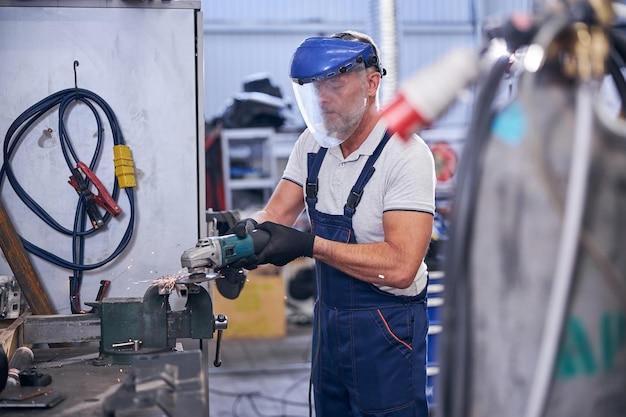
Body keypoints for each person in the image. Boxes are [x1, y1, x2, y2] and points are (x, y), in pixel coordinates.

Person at [230, 30, 436, 417]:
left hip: (388, 331)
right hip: (330, 325)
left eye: (335, 86)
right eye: (315, 89)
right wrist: (239, 238)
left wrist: (309, 246)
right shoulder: (312, 145)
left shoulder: (405, 154)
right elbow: (275, 215)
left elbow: (401, 266)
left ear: (371, 83)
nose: (323, 99)